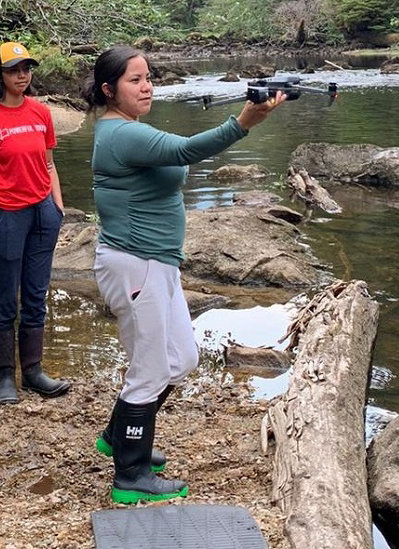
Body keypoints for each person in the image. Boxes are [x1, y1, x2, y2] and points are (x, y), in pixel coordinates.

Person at [82, 46, 286, 504]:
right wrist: (244, 122)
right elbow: (187, 149)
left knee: (182, 360)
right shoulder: (120, 135)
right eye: (135, 79)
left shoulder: (130, 129)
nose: (147, 85)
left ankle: (119, 436)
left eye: (148, 77)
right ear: (109, 89)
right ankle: (130, 477)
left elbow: (176, 153)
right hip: (136, 264)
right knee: (150, 368)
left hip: (157, 265)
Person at [0, 41, 71, 405]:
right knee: (5, 297)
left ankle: (33, 371)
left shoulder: (41, 113)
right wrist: (7, 189)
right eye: (14, 70)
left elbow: (49, 163)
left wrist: (56, 204)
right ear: (0, 75)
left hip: (43, 212)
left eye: (27, 68)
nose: (22, 75)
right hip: (5, 214)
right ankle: (4, 377)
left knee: (36, 294)